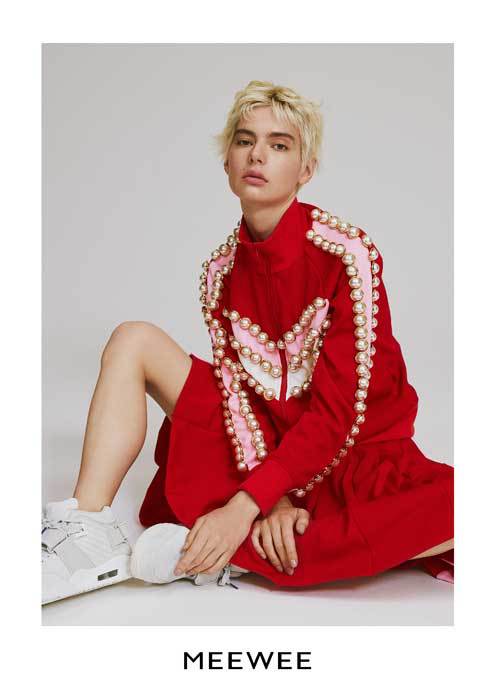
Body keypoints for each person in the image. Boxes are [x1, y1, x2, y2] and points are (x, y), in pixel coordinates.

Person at [42, 80, 454, 605]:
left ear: (305, 169)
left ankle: (214, 552)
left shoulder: (347, 256)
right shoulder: (219, 272)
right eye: (244, 140)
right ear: (227, 161)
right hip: (260, 450)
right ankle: (86, 531)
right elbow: (237, 404)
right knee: (133, 339)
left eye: (279, 145)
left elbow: (335, 418)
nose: (257, 155)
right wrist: (272, 500)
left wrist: (243, 506)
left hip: (352, 453)